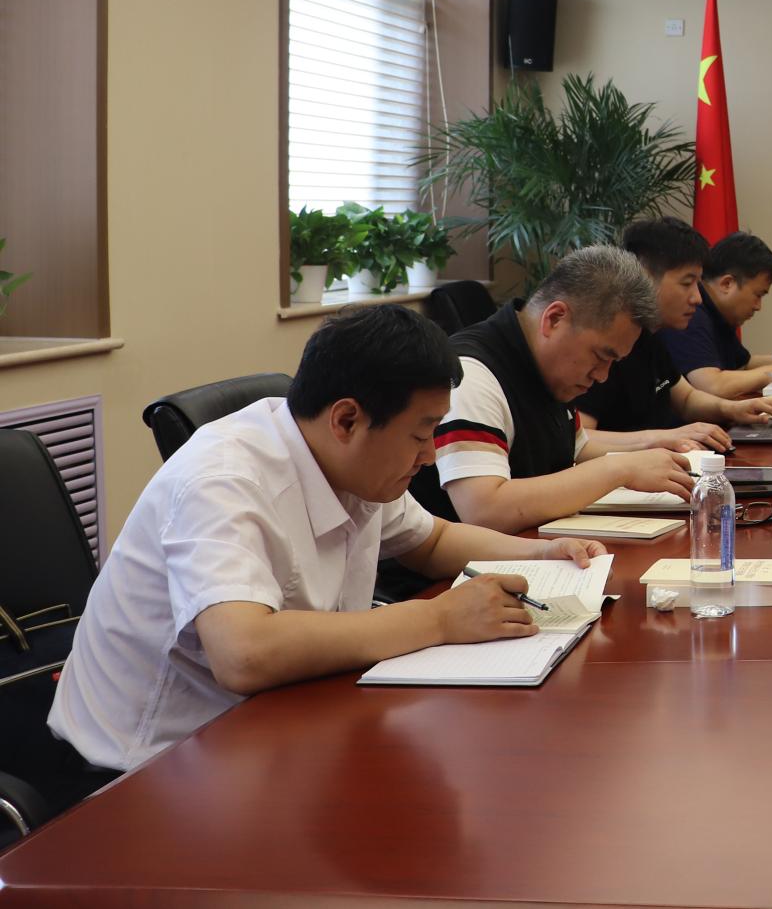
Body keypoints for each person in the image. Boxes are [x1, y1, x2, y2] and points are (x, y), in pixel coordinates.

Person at [46, 305, 608, 777]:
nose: (429, 455)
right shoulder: (222, 479)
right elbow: (244, 653)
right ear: (346, 420)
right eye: (420, 434)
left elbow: (431, 540)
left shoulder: (351, 462)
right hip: (148, 766)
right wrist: (440, 619)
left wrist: (543, 552)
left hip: (277, 725)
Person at [414, 245, 699, 532]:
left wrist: (652, 449)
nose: (602, 376)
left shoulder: (547, 366)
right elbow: (484, 509)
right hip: (464, 561)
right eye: (601, 356)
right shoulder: (471, 374)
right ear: (554, 319)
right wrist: (620, 469)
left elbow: (577, 447)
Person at [575, 218, 772, 437]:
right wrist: (663, 439)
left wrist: (733, 409)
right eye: (687, 283)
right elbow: (580, 440)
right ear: (644, 277)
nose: (698, 298)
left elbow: (687, 400)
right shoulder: (604, 344)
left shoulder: (650, 335)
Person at [658, 230, 772, 399]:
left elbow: (743, 364)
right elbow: (712, 385)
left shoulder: (718, 313)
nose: (758, 306)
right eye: (758, 295)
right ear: (727, 284)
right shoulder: (691, 314)